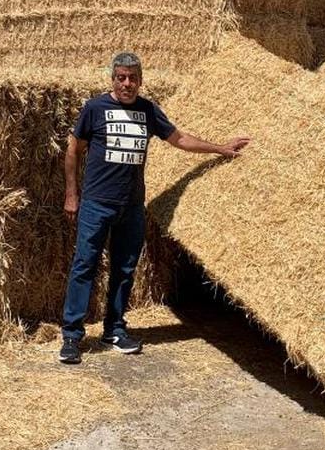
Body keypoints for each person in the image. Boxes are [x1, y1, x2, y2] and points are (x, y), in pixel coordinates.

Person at [59, 51, 249, 364]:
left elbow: (181, 140)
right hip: (96, 203)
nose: (127, 83)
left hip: (132, 206)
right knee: (85, 266)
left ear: (141, 81)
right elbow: (72, 151)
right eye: (121, 77)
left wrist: (221, 148)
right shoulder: (95, 108)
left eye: (133, 78)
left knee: (124, 269)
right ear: (113, 79)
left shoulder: (148, 111)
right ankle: (71, 336)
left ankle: (115, 330)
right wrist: (71, 194)